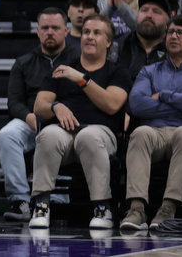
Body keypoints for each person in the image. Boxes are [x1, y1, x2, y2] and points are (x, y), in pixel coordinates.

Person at [29, 14, 131, 230]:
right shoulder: (62, 68)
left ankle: (102, 208)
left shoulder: (117, 72)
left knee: (88, 136)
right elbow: (39, 105)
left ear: (109, 41)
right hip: (64, 135)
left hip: (101, 135)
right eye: (86, 32)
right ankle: (41, 205)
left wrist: (82, 79)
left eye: (97, 33)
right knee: (48, 135)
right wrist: (55, 106)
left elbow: (112, 104)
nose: (90, 37)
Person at [121, 14, 182, 231]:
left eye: (181, 33)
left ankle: (168, 208)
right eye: (170, 31)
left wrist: (164, 95)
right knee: (140, 133)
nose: (174, 36)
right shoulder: (149, 71)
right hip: (156, 131)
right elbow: (137, 104)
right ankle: (137, 209)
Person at [0, 7, 80, 221]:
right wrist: (29, 116)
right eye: (45, 28)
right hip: (32, 119)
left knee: (59, 133)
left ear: (66, 30)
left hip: (67, 119)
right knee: (8, 134)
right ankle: (21, 200)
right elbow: (14, 101)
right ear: (37, 31)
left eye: (55, 28)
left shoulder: (78, 59)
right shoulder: (23, 62)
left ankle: (57, 197)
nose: (50, 32)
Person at [114, 0, 171, 81]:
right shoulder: (122, 45)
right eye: (144, 10)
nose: (149, 15)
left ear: (167, 23)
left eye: (156, 12)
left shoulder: (173, 49)